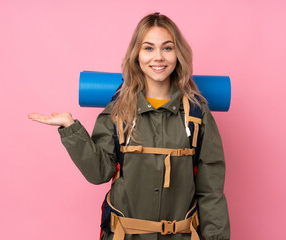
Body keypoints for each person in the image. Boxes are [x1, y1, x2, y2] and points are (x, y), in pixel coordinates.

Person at [28, 12, 230, 240]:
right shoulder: (118, 112)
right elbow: (99, 172)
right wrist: (70, 128)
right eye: (148, 48)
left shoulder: (197, 115)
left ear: (178, 53)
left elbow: (211, 191)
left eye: (167, 48)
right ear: (136, 55)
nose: (158, 57)